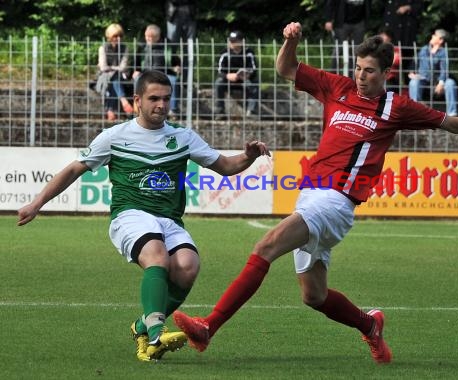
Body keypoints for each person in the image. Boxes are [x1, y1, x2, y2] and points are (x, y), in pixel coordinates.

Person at [172, 22, 458, 365]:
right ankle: (370, 325)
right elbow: (286, 69)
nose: (361, 77)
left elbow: (451, 124)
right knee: (314, 296)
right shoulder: (338, 88)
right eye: (358, 68)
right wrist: (290, 41)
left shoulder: (397, 106)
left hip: (337, 202)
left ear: (386, 73)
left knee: (266, 246)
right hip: (310, 195)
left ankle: (208, 328)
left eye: (369, 71)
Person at [17, 70, 270, 362]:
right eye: (153, 99)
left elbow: (225, 165)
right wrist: (37, 203)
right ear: (137, 100)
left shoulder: (182, 137)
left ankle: (142, 326)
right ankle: (155, 333)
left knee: (187, 267)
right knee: (157, 255)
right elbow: (75, 168)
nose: (161, 105)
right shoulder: (115, 136)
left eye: (166, 98)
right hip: (130, 215)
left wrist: (249, 156)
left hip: (169, 220)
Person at [133, 24, 181, 117]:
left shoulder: (167, 46)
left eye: (151, 37)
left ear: (158, 37)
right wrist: (136, 70)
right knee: (137, 80)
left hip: (164, 74)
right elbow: (136, 61)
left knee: (173, 81)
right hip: (146, 74)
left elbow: (175, 60)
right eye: (146, 36)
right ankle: (138, 108)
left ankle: (173, 110)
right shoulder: (142, 46)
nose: (148, 39)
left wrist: (176, 67)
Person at [408, 29, 458, 116]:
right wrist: (411, 72)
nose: (432, 36)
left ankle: (452, 113)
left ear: (440, 40)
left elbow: (444, 69)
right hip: (423, 78)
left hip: (437, 81)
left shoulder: (443, 52)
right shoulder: (424, 49)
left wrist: (441, 83)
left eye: (435, 35)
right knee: (413, 83)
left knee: (451, 83)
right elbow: (415, 61)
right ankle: (415, 112)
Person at [213, 30, 259, 119]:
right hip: (228, 81)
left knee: (254, 83)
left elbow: (254, 69)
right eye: (231, 41)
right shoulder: (224, 52)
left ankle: (251, 111)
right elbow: (218, 70)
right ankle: (220, 111)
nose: (232, 43)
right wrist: (227, 76)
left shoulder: (249, 52)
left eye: (235, 41)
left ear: (242, 41)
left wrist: (248, 75)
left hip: (244, 81)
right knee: (219, 83)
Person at [97, 23, 134, 121]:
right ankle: (123, 101)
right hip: (105, 76)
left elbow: (123, 67)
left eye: (120, 36)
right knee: (112, 79)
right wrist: (115, 68)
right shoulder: (103, 48)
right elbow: (103, 67)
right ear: (109, 36)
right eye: (115, 36)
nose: (118, 38)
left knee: (114, 78)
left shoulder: (125, 48)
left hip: (120, 75)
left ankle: (110, 111)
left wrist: (112, 68)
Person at [324, 0, 371, 75]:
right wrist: (328, 20)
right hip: (342, 22)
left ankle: (353, 75)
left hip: (360, 23)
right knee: (339, 48)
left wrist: (367, 21)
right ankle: (332, 75)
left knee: (357, 50)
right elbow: (330, 3)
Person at [380, 0, 423, 81]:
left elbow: (419, 7)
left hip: (407, 36)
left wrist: (408, 7)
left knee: (408, 69)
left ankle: (409, 89)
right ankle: (391, 90)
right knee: (390, 70)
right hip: (391, 35)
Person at [378, 27, 402, 92]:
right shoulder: (375, 49)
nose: (382, 37)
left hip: (391, 78)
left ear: (390, 38)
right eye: (381, 35)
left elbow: (397, 61)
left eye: (384, 35)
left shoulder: (396, 49)